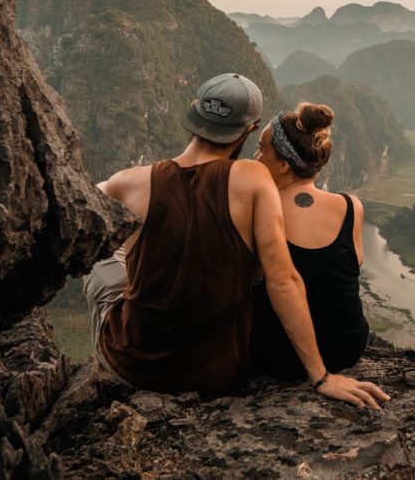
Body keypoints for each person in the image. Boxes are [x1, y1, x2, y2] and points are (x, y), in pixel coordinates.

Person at [83, 73, 389, 409]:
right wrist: (321, 377)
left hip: (130, 365)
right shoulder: (254, 178)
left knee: (106, 258)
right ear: (250, 129)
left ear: (192, 109)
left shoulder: (128, 182)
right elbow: (283, 280)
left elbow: (81, 209)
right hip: (213, 376)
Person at [249, 103, 369, 378]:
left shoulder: (260, 212)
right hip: (346, 348)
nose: (256, 157)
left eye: (261, 149)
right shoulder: (352, 207)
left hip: (280, 356)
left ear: (282, 165)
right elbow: (352, 266)